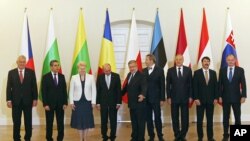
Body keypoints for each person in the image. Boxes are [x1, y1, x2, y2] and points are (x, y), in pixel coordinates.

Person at [6, 55, 38, 141]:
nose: (22, 63)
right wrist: (8, 100)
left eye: (24, 62)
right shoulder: (11, 73)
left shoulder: (31, 72)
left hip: (28, 101)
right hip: (15, 101)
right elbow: (9, 87)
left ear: (25, 63)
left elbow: (34, 86)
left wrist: (35, 99)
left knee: (28, 121)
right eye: (20, 62)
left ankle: (28, 138)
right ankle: (16, 138)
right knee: (16, 122)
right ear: (17, 62)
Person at [218, 54, 247, 141]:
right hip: (225, 97)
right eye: (229, 60)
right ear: (226, 61)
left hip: (237, 97)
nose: (230, 61)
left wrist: (244, 95)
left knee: (237, 117)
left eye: (232, 60)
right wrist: (219, 96)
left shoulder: (240, 70)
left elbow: (243, 84)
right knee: (225, 117)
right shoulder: (222, 70)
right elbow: (220, 84)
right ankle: (225, 135)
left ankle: (238, 134)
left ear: (235, 60)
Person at [166, 54, 192, 141]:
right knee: (175, 117)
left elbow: (190, 85)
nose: (178, 61)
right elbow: (168, 85)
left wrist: (190, 96)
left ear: (183, 60)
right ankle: (177, 135)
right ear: (175, 60)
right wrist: (168, 97)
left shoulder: (188, 70)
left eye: (180, 59)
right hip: (174, 98)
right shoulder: (170, 70)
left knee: (185, 117)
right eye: (176, 59)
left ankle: (183, 134)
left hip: (185, 98)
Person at [69, 61, 96, 141]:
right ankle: (81, 139)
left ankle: (86, 138)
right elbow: (71, 91)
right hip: (77, 102)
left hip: (88, 102)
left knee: (87, 121)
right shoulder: (74, 77)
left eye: (84, 68)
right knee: (79, 122)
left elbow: (94, 90)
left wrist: (93, 102)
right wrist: (71, 102)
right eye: (81, 69)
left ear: (86, 68)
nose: (82, 70)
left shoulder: (91, 77)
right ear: (78, 69)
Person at [41, 60, 68, 141]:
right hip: (49, 105)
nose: (57, 67)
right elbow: (44, 92)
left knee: (60, 123)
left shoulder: (62, 76)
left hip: (60, 104)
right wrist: (45, 104)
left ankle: (60, 138)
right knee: (49, 123)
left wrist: (65, 103)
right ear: (51, 67)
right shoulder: (45, 77)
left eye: (58, 65)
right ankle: (49, 138)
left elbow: (64, 91)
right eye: (55, 65)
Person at [193, 56, 218, 141]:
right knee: (199, 121)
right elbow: (194, 87)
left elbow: (216, 87)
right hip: (200, 101)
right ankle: (200, 137)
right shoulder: (196, 73)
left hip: (211, 101)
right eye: (205, 61)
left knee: (210, 120)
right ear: (202, 62)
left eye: (208, 61)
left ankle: (210, 137)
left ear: (209, 63)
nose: (206, 63)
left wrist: (216, 98)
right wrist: (196, 98)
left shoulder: (213, 73)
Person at [122, 60, 147, 141]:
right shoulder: (129, 74)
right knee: (134, 122)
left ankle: (141, 138)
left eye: (133, 66)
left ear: (136, 66)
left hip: (139, 103)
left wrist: (143, 95)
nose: (131, 68)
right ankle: (134, 137)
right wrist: (118, 95)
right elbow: (126, 88)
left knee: (140, 122)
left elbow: (144, 86)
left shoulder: (142, 75)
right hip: (132, 103)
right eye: (130, 67)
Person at [96, 63, 122, 141]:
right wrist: (98, 103)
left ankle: (113, 136)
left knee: (113, 120)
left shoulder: (116, 76)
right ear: (103, 70)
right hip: (103, 103)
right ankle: (104, 135)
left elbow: (118, 90)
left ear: (111, 69)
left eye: (109, 70)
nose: (108, 72)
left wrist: (118, 102)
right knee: (103, 120)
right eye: (106, 71)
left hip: (113, 103)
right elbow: (98, 91)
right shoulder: (100, 77)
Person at [143, 54, 165, 141]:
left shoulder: (160, 70)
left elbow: (162, 85)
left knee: (157, 118)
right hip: (146, 99)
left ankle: (160, 135)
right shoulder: (143, 70)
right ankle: (151, 136)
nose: (145, 61)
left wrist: (162, 98)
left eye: (147, 60)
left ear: (152, 60)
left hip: (156, 99)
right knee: (148, 119)